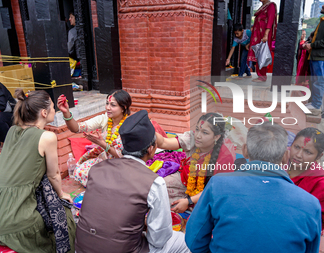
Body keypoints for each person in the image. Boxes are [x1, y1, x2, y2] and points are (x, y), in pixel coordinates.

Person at [185, 122, 322, 253]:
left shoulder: (218, 185)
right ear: (286, 157)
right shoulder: (311, 205)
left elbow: (194, 241)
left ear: (245, 151)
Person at [75, 110, 190, 253]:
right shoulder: (154, 182)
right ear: (151, 149)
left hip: (82, 248)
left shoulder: (96, 169)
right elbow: (159, 239)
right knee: (184, 242)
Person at [0, 89, 75, 253]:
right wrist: (62, 194)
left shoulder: (12, 131)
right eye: (53, 107)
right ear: (43, 112)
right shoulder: (47, 137)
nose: (54, 111)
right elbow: (53, 174)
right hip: (17, 219)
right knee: (66, 215)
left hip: (3, 204)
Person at [156, 113, 235, 213]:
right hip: (186, 180)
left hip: (208, 192)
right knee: (157, 189)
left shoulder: (225, 156)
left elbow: (216, 189)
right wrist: (148, 128)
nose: (198, 136)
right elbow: (163, 143)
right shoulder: (192, 138)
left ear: (216, 137)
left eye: (205, 133)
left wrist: (188, 201)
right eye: (197, 129)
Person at [57, 89, 132, 187]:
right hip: (105, 159)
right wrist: (66, 112)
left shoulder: (130, 124)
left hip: (124, 163)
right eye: (107, 103)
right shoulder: (105, 118)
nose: (108, 108)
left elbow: (123, 156)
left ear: (123, 107)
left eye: (113, 105)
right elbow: (77, 128)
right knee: (80, 171)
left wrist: (101, 143)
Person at [288, 128, 324, 230]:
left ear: (318, 156)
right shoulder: (280, 162)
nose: (298, 155)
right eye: (296, 147)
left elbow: (320, 219)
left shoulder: (321, 181)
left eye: (307, 152)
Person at [247, 0, 277, 82]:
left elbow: (270, 20)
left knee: (262, 54)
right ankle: (259, 75)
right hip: (257, 34)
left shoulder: (271, 6)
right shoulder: (262, 7)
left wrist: (266, 34)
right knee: (258, 54)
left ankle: (263, 76)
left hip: (263, 34)